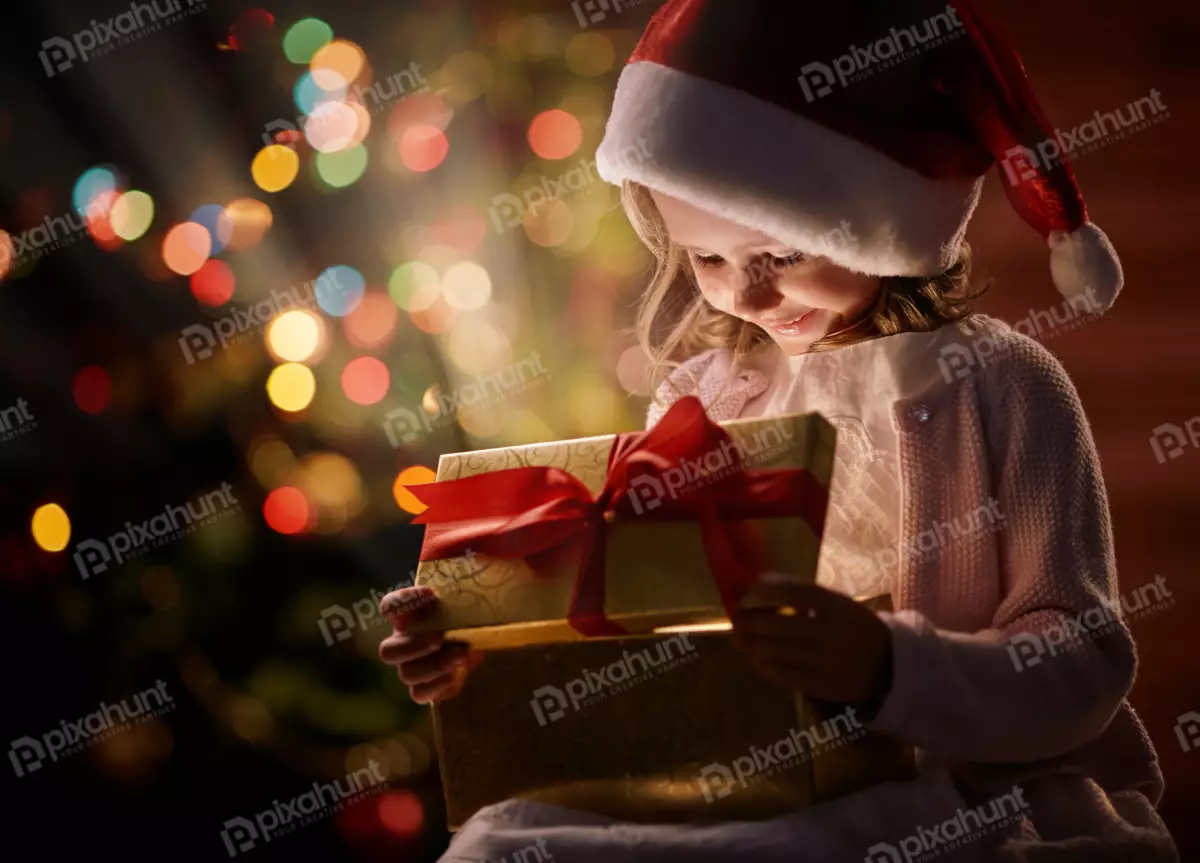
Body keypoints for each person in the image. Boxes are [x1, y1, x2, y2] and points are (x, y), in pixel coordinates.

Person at [379, 1, 1179, 859]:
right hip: (753, 780)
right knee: (503, 842)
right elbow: (657, 634)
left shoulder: (1005, 387)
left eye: (781, 254)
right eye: (709, 260)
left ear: (885, 223)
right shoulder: (706, 401)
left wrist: (888, 669)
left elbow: (1079, 663)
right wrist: (492, 654)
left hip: (958, 794)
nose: (747, 297)